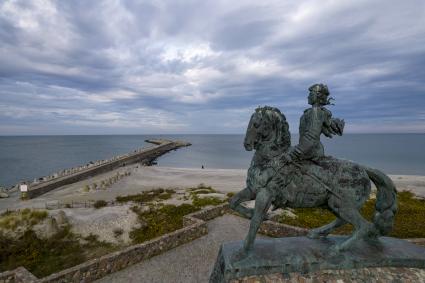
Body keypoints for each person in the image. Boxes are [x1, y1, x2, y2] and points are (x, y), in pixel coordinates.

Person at [280, 83, 345, 164]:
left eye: (311, 94)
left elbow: (311, 137)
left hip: (311, 152)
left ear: (317, 96)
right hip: (308, 149)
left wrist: (294, 154)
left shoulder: (316, 112)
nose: (308, 97)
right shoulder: (313, 111)